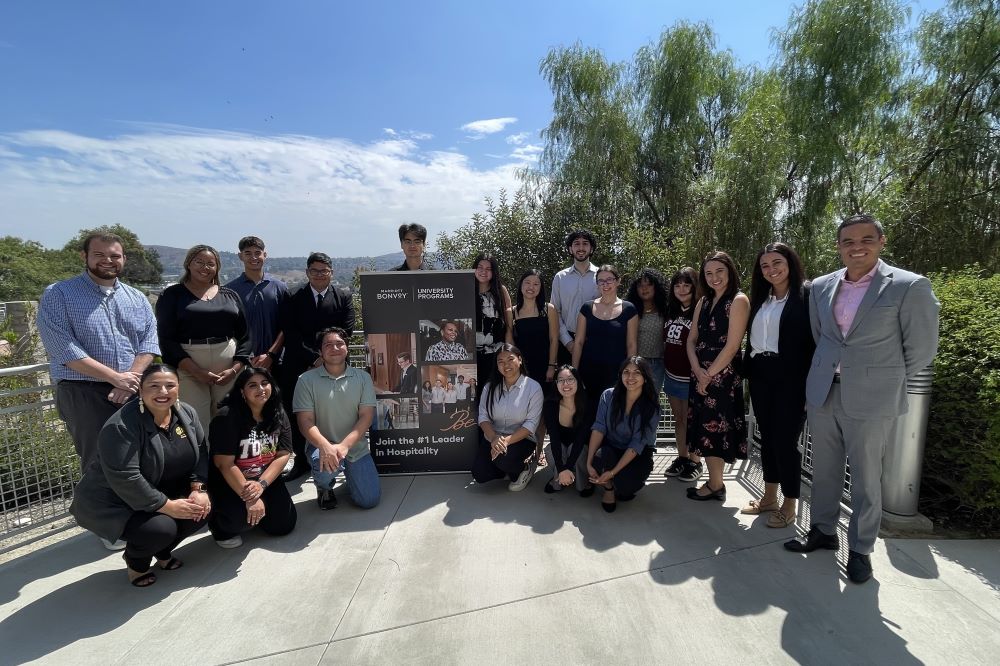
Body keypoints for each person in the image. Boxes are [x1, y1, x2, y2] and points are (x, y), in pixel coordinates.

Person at [785, 214, 939, 585]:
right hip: (824, 392)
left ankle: (860, 549)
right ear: (838, 246)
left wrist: (880, 377)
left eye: (866, 239)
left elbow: (920, 349)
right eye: (848, 241)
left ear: (881, 242)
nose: (857, 247)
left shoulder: (908, 286)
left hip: (872, 398)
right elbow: (824, 337)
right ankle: (822, 531)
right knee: (823, 470)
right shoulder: (822, 286)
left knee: (867, 480)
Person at [70, 364, 211, 587]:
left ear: (178, 389)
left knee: (200, 510)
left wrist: (198, 489)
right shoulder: (122, 425)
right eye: (154, 386)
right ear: (140, 390)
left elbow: (201, 451)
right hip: (119, 501)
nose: (163, 392)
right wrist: (167, 506)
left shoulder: (186, 413)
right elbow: (126, 477)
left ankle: (163, 553)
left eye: (169, 386)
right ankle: (136, 562)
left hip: (161, 488)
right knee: (161, 529)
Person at [37, 231, 159, 482]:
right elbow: (64, 349)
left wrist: (130, 378)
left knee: (142, 457)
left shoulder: (136, 298)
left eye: (115, 255)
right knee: (98, 462)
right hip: (83, 392)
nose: (108, 260)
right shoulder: (59, 294)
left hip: (131, 389)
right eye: (99, 254)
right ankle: (102, 520)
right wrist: (116, 378)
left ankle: (139, 519)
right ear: (85, 256)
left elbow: (149, 343)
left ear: (124, 258)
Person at [741, 243, 815, 528]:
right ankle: (769, 497)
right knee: (767, 437)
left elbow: (815, 341)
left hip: (792, 376)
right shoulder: (761, 298)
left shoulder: (807, 294)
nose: (771, 269)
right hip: (761, 372)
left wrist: (811, 384)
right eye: (764, 265)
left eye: (777, 263)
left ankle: (790, 503)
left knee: (785, 441)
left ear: (790, 263)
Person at [155, 244, 251, 431]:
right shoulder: (172, 295)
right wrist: (195, 370)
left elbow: (246, 336)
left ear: (217, 268)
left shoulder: (230, 295)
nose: (205, 267)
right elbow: (166, 338)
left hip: (228, 366)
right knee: (195, 421)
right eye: (199, 262)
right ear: (188, 264)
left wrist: (235, 369)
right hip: (188, 366)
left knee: (228, 419)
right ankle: (200, 460)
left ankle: (224, 460)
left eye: (210, 264)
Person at [279, 252, 356, 480]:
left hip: (337, 364)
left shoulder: (343, 296)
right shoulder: (292, 296)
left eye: (324, 270)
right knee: (300, 414)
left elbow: (347, 330)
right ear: (307, 272)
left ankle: (344, 457)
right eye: (315, 270)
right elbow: (290, 332)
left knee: (339, 411)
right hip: (299, 364)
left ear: (331, 272)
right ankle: (302, 462)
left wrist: (326, 357)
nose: (320, 275)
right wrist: (315, 359)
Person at [685, 251, 750, 502]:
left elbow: (733, 345)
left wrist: (707, 375)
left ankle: (715, 485)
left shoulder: (738, 300)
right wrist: (697, 371)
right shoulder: (703, 301)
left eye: (719, 271)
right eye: (709, 273)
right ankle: (714, 483)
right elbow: (691, 341)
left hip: (722, 377)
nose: (714, 277)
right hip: (700, 373)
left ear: (730, 271)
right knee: (704, 428)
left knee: (717, 431)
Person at [208, 367, 296, 549]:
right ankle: (219, 526)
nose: (261, 389)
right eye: (253, 385)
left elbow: (283, 453)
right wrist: (251, 498)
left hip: (262, 478)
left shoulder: (277, 411)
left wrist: (261, 485)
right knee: (240, 521)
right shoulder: (227, 416)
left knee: (283, 525)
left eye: (265, 383)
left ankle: (258, 514)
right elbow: (224, 464)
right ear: (242, 392)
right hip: (231, 481)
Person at [293, 327, 381, 510]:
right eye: (328, 345)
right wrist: (326, 446)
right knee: (325, 467)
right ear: (320, 351)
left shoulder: (362, 378)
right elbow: (305, 421)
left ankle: (351, 473)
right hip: (322, 446)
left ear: (347, 348)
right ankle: (324, 487)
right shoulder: (305, 380)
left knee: (369, 501)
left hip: (355, 447)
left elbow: (366, 417)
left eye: (340, 344)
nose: (334, 348)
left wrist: (344, 446)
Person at [583, 357, 660, 512]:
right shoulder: (608, 395)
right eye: (626, 372)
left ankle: (617, 481)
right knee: (598, 460)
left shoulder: (651, 407)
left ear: (645, 378)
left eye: (637, 373)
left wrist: (612, 472)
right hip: (611, 446)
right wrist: (589, 462)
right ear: (620, 375)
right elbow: (599, 428)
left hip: (637, 453)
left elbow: (636, 444)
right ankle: (609, 488)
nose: (630, 377)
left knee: (626, 487)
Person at [471, 344, 544, 492]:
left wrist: (504, 441)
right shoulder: (489, 387)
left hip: (521, 439)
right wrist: (493, 438)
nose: (506, 365)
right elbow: (483, 416)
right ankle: (505, 468)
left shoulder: (533, 388)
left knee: (503, 460)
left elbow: (531, 425)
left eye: (510, 359)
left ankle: (525, 468)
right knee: (479, 474)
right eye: (501, 361)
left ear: (520, 360)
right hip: (493, 437)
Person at [572, 264, 638, 418]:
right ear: (597, 284)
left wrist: (630, 372)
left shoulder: (629, 309)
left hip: (617, 372)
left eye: (609, 280)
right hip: (588, 371)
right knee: (589, 413)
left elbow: (631, 344)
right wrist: (574, 372)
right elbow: (579, 342)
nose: (605, 284)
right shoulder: (586, 308)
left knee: (614, 413)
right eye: (601, 281)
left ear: (618, 281)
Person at [506, 269, 559, 444]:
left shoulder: (548, 309)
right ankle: (524, 444)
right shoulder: (511, 312)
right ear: (521, 286)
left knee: (541, 410)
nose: (531, 287)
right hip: (521, 370)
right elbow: (510, 344)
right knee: (522, 409)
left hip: (544, 367)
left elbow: (553, 339)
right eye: (528, 283)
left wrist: (552, 366)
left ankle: (538, 449)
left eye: (536, 284)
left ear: (541, 288)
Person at [661, 267, 702, 483]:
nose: (682, 289)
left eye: (687, 285)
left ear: (695, 287)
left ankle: (696, 461)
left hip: (690, 377)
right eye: (677, 285)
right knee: (679, 420)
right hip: (672, 375)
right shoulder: (672, 310)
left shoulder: (700, 310)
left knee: (692, 420)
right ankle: (682, 457)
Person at [225, 236, 288, 372]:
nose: (253, 257)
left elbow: (287, 325)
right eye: (248, 253)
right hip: (242, 362)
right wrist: (244, 357)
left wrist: (271, 355)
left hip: (277, 361)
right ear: (240, 256)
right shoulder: (229, 290)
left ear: (265, 255)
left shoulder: (280, 287)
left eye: (257, 253)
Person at [550, 229, 599, 366]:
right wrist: (568, 342)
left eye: (585, 243)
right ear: (570, 249)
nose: (581, 248)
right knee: (567, 385)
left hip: (594, 341)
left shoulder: (602, 277)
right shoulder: (560, 277)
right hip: (566, 342)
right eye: (576, 244)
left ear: (591, 248)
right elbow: (555, 312)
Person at [541, 365, 590, 494]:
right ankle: (560, 478)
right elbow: (554, 437)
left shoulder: (587, 403)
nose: (565, 384)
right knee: (551, 451)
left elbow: (581, 438)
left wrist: (567, 467)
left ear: (578, 382)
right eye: (561, 380)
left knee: (580, 455)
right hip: (561, 445)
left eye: (570, 379)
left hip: (580, 445)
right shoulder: (550, 405)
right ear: (556, 384)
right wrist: (562, 469)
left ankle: (583, 483)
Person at [473, 253, 513, 396]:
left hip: (495, 355)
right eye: (480, 267)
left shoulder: (500, 291)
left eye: (488, 268)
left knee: (493, 394)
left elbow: (508, 327)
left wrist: (509, 353)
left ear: (494, 272)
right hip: (471, 356)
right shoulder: (464, 289)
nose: (484, 271)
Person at [625, 267, 669, 393]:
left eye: (649, 284)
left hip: (657, 365)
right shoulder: (629, 310)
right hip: (636, 363)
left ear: (657, 287)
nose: (644, 288)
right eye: (640, 285)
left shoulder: (666, 310)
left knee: (651, 404)